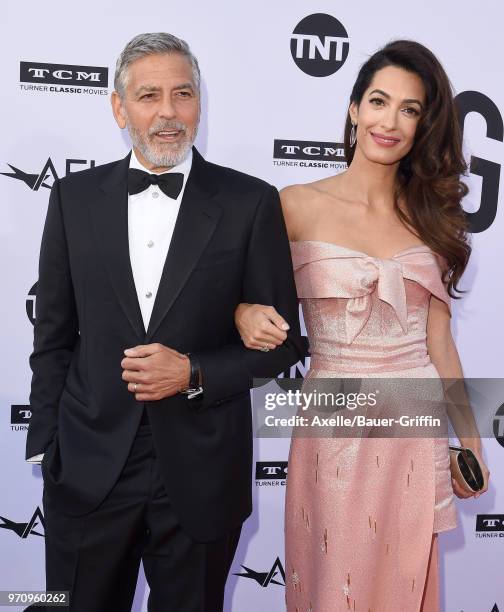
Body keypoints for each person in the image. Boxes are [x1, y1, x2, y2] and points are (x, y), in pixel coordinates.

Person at [25, 32, 305, 612]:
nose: (168, 113)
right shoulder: (73, 199)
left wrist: (195, 371)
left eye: (183, 94)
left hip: (202, 469)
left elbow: (281, 347)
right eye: (149, 96)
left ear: (199, 102)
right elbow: (52, 335)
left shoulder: (251, 201)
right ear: (119, 106)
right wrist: (47, 445)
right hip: (88, 464)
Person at [234, 40, 490, 611]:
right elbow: (239, 299)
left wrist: (468, 443)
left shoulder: (432, 219)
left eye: (410, 109)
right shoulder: (294, 205)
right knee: (331, 585)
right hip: (333, 426)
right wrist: (242, 312)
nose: (390, 121)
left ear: (423, 126)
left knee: (401, 589)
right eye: (378, 101)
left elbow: (441, 346)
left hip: (414, 427)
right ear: (354, 109)